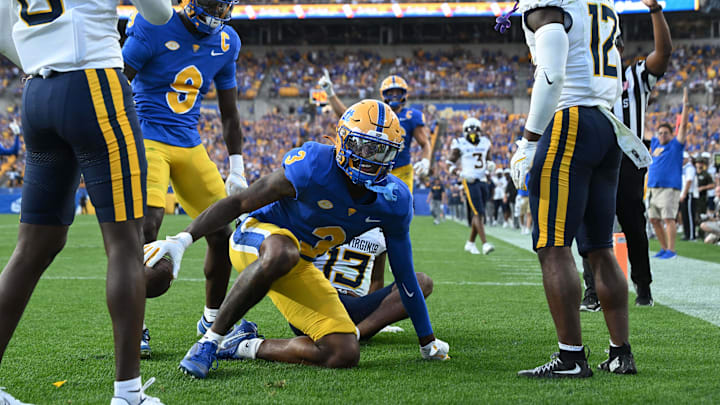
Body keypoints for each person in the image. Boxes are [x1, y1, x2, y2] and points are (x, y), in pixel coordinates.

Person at [144, 100, 449, 379]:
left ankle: (242, 346)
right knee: (282, 250)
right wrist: (184, 238)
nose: (373, 161)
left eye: (383, 152)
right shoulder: (314, 164)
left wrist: (428, 342)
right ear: (344, 140)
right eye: (366, 148)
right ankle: (210, 341)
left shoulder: (394, 200)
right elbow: (240, 203)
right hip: (255, 239)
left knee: (344, 351)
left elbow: (406, 276)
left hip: (298, 262)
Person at [0, 0, 172, 404]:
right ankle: (128, 394)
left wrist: (42, 54)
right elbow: (160, 12)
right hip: (94, 83)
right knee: (126, 244)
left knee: (33, 246)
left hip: (37, 90)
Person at [504, 0, 647, 378]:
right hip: (605, 123)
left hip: (570, 120)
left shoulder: (549, 4)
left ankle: (571, 358)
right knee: (600, 247)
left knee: (553, 245)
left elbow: (551, 74)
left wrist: (528, 142)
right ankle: (621, 354)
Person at [122, 0, 247, 356]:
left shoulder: (228, 41)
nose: (220, 12)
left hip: (189, 142)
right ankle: (134, 323)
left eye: (225, 5)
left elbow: (229, 112)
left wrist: (236, 165)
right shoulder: (154, 23)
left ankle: (212, 318)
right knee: (148, 223)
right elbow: (118, 82)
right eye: (213, 4)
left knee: (223, 228)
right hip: (147, 134)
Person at [579, 1, 671, 309]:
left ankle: (642, 286)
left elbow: (663, 55)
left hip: (628, 159)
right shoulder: (584, 78)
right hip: (593, 156)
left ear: (619, 45)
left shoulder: (635, 75)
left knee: (633, 222)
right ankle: (592, 290)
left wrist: (656, 11)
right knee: (588, 224)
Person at [299, 228, 434, 340]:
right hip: (321, 304)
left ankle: (354, 334)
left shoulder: (379, 232)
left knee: (420, 281)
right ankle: (356, 334)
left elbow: (376, 280)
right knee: (422, 281)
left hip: (350, 309)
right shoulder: (322, 219)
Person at [319, 72, 432, 192]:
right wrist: (330, 93)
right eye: (390, 92)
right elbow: (348, 116)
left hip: (401, 170)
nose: (394, 96)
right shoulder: (376, 112)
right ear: (383, 94)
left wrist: (425, 160)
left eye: (397, 92)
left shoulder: (412, 116)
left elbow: (425, 143)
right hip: (375, 166)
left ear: (404, 94)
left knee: (401, 205)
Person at [646, 92, 689, 259]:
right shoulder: (655, 142)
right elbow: (645, 126)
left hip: (669, 188)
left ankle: (671, 250)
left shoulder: (676, 145)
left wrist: (685, 105)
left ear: (671, 134)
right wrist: (643, 103)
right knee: (654, 220)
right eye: (660, 133)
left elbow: (684, 126)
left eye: (665, 133)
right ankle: (664, 248)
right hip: (653, 188)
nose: (662, 135)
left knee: (668, 218)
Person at [448, 118, 495, 255]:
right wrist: (460, 173)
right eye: (470, 130)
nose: (473, 133)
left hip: (483, 179)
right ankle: (485, 244)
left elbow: (489, 159)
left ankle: (470, 243)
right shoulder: (459, 143)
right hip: (470, 181)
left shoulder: (486, 142)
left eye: (475, 130)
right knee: (478, 213)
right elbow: (449, 163)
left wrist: (491, 164)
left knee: (479, 213)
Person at [680, 152, 698, 241]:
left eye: (683, 158)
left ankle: (691, 235)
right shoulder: (684, 168)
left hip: (689, 194)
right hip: (684, 194)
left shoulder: (689, 168)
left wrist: (684, 193)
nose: (682, 160)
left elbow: (689, 181)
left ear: (687, 159)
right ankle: (687, 234)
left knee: (690, 215)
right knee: (684, 215)